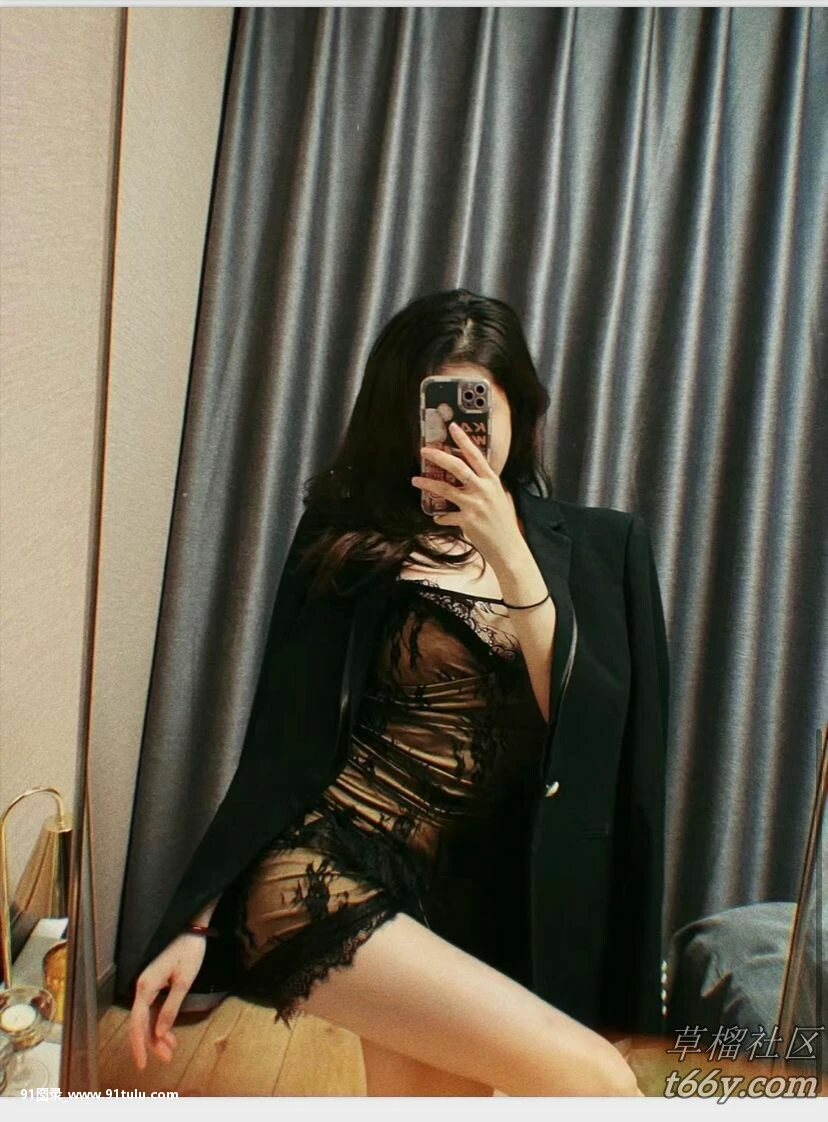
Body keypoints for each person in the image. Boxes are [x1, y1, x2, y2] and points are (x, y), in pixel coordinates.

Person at [128, 289, 666, 1096]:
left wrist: (510, 554)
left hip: (467, 902)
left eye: (479, 409)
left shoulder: (603, 549)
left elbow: (593, 744)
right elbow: (279, 742)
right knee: (600, 1085)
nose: (460, 435)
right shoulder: (347, 532)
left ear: (519, 409)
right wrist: (196, 922)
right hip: (322, 868)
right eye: (437, 410)